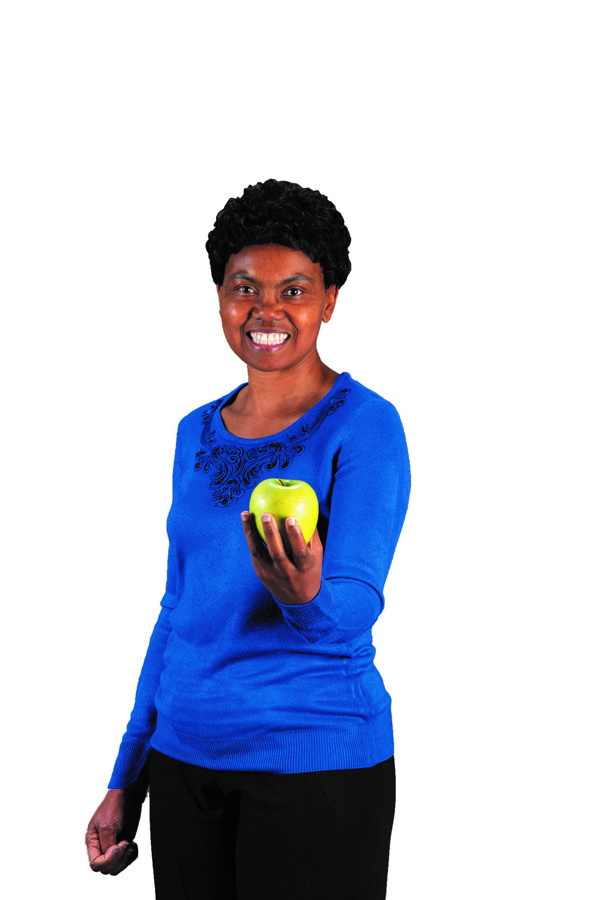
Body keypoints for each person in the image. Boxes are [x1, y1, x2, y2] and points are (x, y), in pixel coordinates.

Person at [85, 179, 411, 899]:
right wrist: (126, 776)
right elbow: (177, 611)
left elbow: (356, 601)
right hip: (183, 764)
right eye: (245, 289)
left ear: (329, 301)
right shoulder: (194, 431)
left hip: (315, 766)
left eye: (294, 290)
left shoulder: (365, 426)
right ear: (221, 298)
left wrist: (304, 597)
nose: (267, 310)